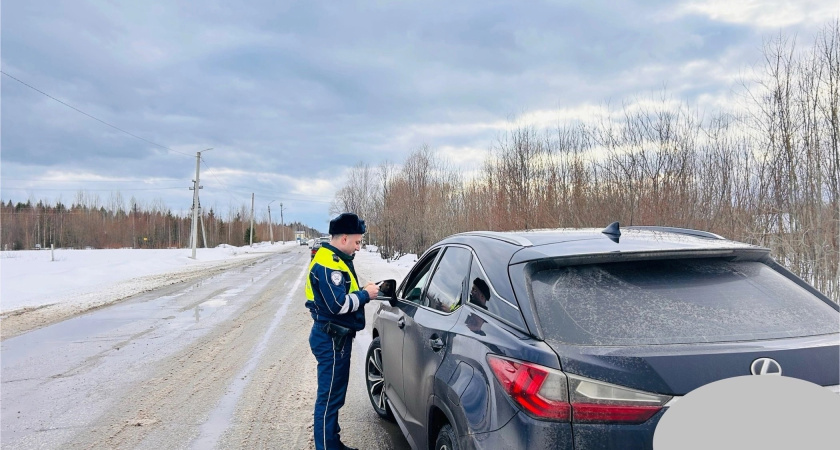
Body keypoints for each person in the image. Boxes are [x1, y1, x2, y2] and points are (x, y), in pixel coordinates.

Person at [305, 212, 379, 450]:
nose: (359, 247)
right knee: (328, 399)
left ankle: (332, 442)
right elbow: (338, 305)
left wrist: (362, 291)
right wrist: (366, 295)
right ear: (344, 238)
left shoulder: (335, 260)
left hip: (335, 337)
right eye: (357, 242)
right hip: (331, 338)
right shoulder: (329, 265)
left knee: (334, 396)